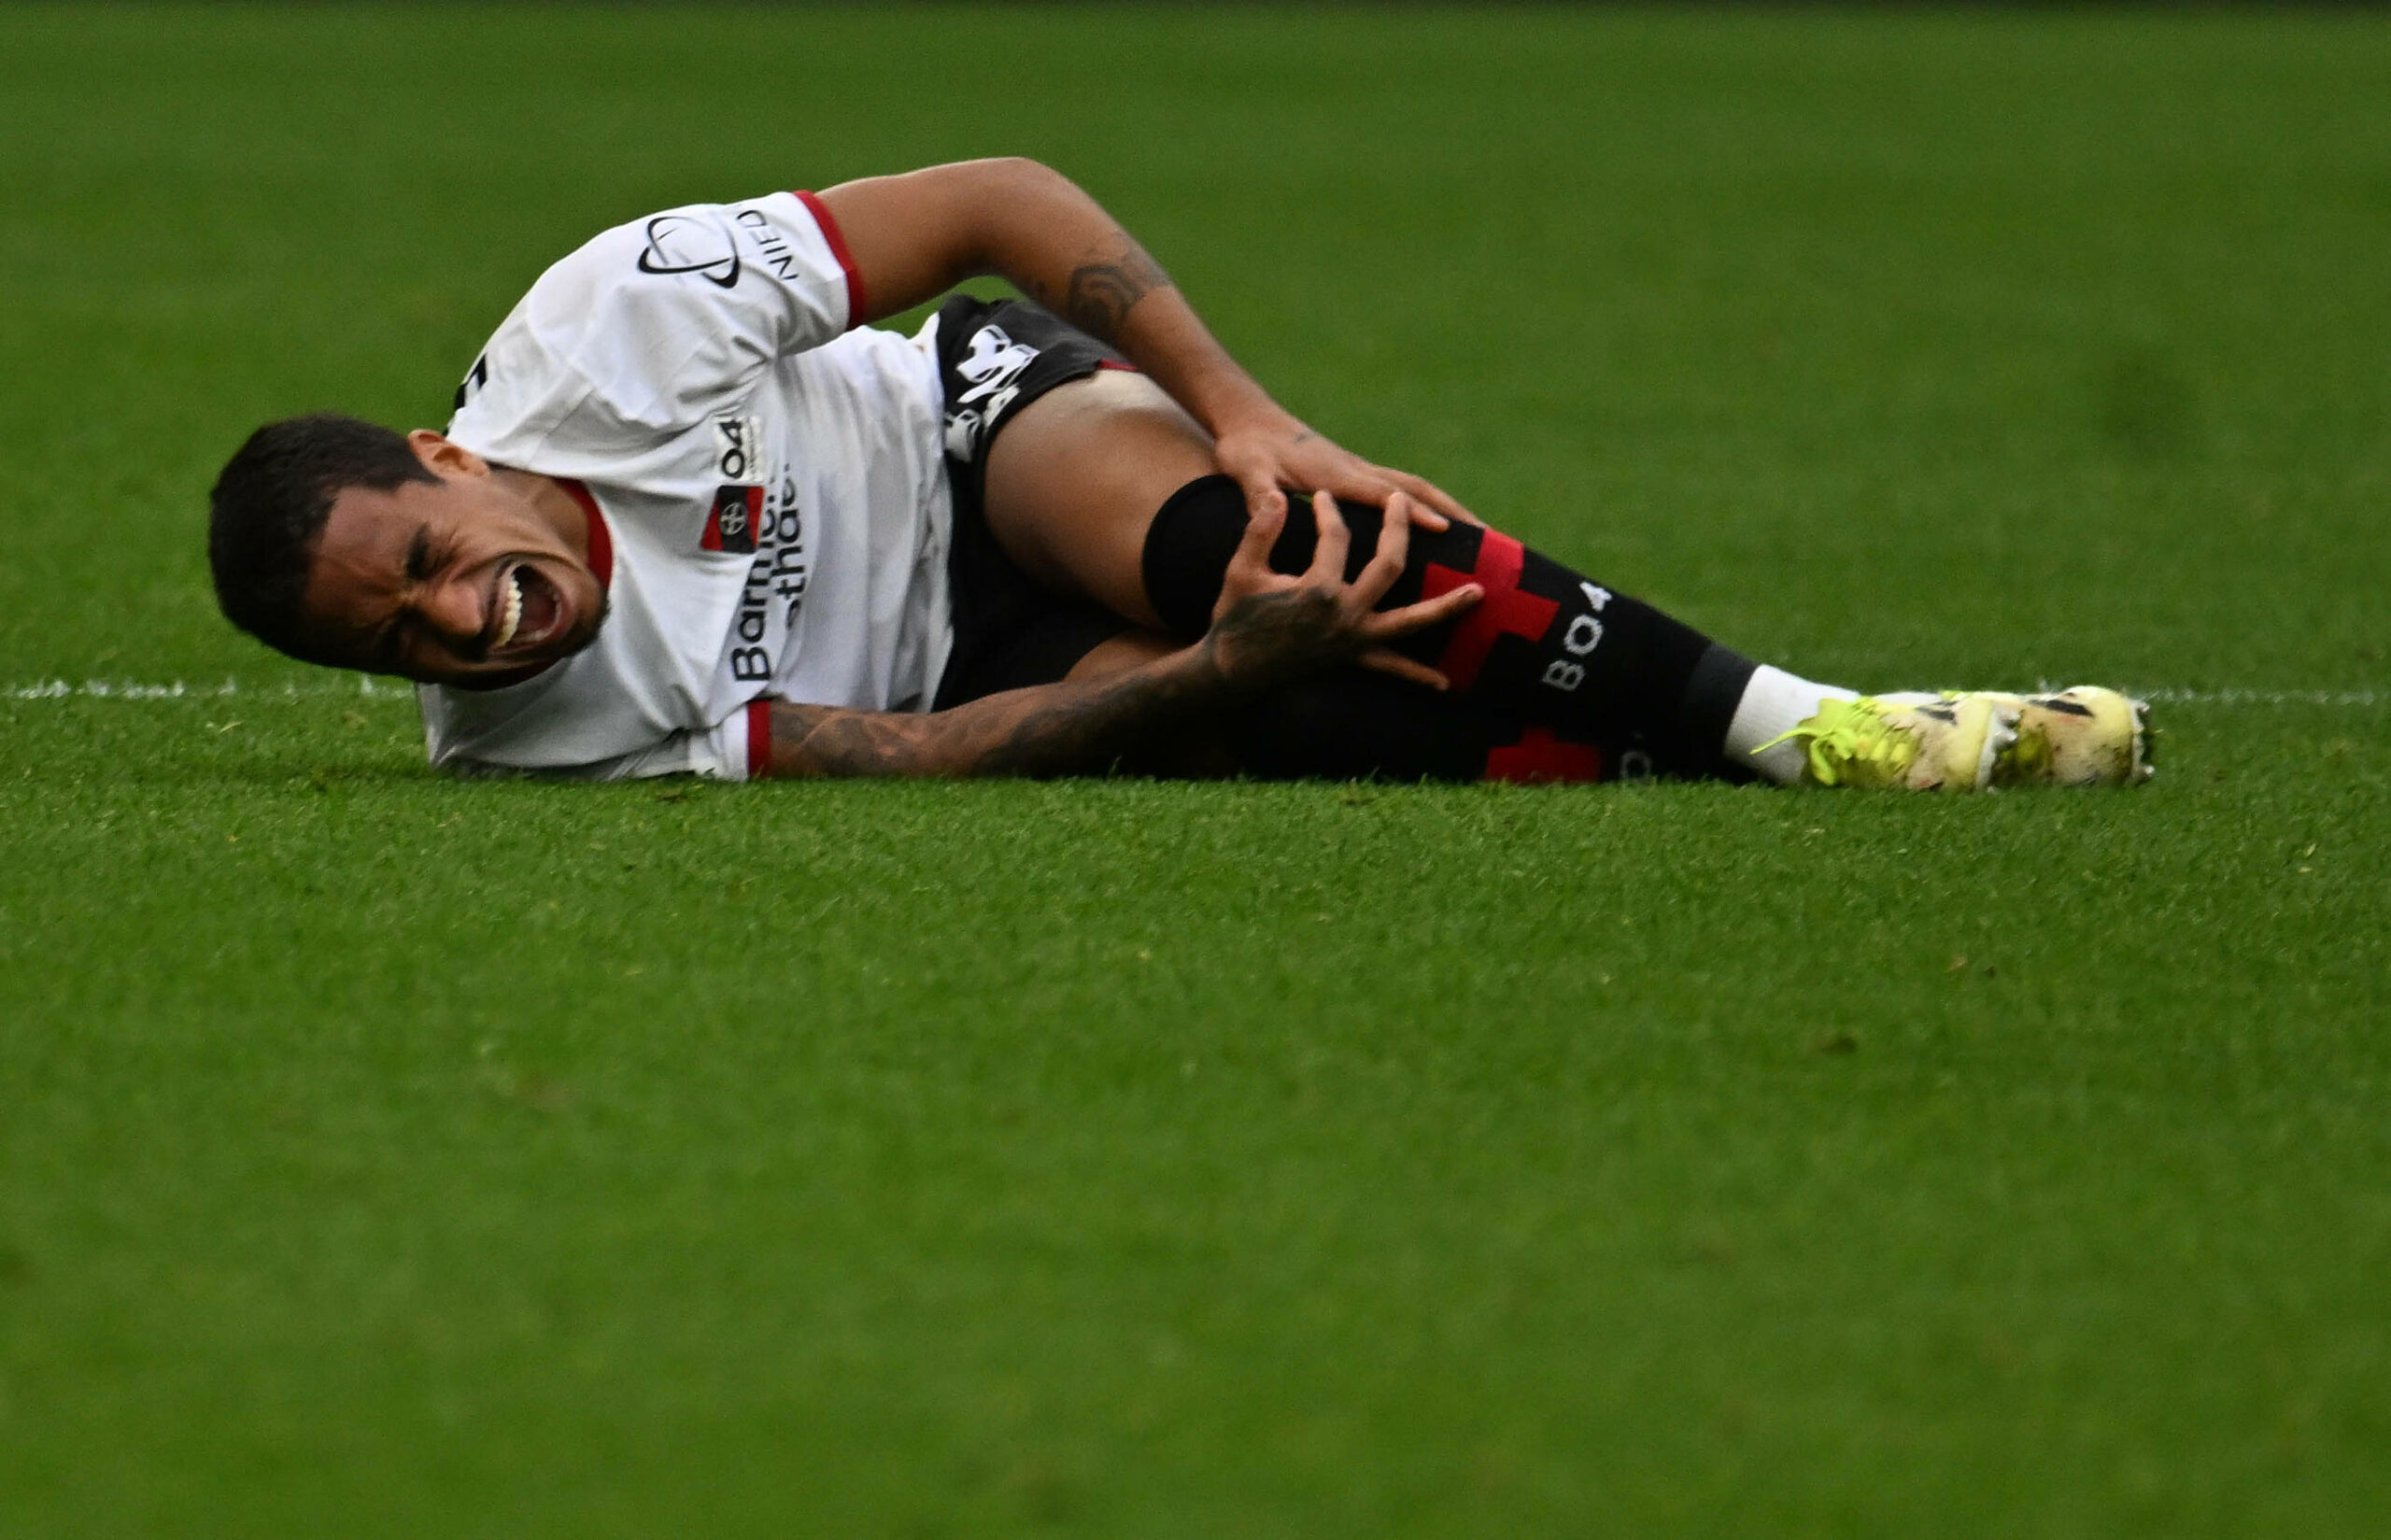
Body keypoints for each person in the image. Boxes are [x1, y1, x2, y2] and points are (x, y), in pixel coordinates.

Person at [205, 158, 2150, 790]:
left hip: (973, 442)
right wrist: (1209, 683)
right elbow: (909, 756)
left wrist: (1245, 418)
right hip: (963, 680)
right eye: (405, 641)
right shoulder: (533, 755)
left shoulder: (608, 329)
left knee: (1276, 538)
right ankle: (1668, 743)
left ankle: (1827, 735)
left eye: (430, 554)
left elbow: (996, 200)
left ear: (450, 456)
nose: (468, 619)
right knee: (1345, 711)